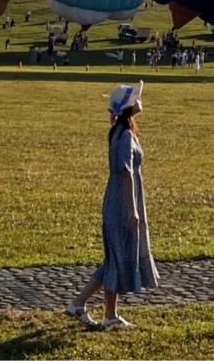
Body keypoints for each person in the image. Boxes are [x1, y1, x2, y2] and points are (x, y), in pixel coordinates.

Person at [67, 81, 158, 330]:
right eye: (136, 99)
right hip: (121, 202)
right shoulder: (126, 135)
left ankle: (107, 314)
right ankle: (81, 304)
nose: (140, 100)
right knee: (117, 259)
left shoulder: (119, 131)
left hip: (115, 199)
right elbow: (126, 173)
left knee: (113, 261)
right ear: (129, 107)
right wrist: (133, 210)